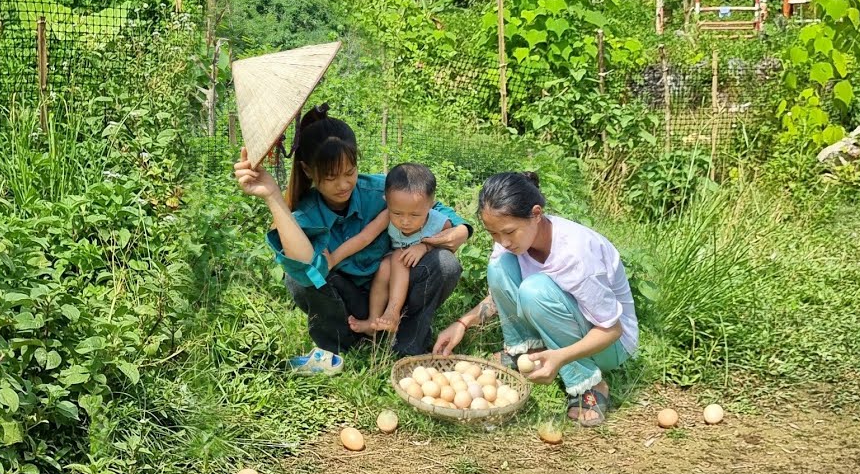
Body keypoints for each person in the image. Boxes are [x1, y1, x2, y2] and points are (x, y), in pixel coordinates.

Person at [232, 106, 471, 374]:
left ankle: (408, 343)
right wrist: (272, 196)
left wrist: (442, 238)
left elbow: (447, 218)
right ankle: (339, 346)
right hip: (346, 303)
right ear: (308, 171)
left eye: (350, 172)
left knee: (445, 264)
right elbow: (305, 268)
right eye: (332, 177)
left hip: (396, 293)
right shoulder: (307, 213)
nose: (344, 184)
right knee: (298, 278)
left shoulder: (384, 190)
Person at [434, 172, 638, 426]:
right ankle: (528, 351)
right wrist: (463, 323)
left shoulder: (575, 255)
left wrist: (561, 358)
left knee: (535, 290)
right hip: (572, 323)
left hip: (610, 346)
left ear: (537, 214)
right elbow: (499, 294)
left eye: (509, 232)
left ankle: (589, 383)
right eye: (493, 234)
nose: (503, 241)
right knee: (499, 268)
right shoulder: (512, 241)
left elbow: (611, 329)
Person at [327, 163, 452, 334]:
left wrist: (425, 246)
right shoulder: (386, 216)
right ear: (386, 200)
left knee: (398, 257)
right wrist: (333, 258)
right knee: (385, 266)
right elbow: (365, 237)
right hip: (395, 263)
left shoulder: (440, 221)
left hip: (422, 268)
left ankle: (392, 313)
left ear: (430, 204)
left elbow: (449, 241)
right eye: (397, 213)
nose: (405, 221)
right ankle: (373, 321)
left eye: (415, 215)